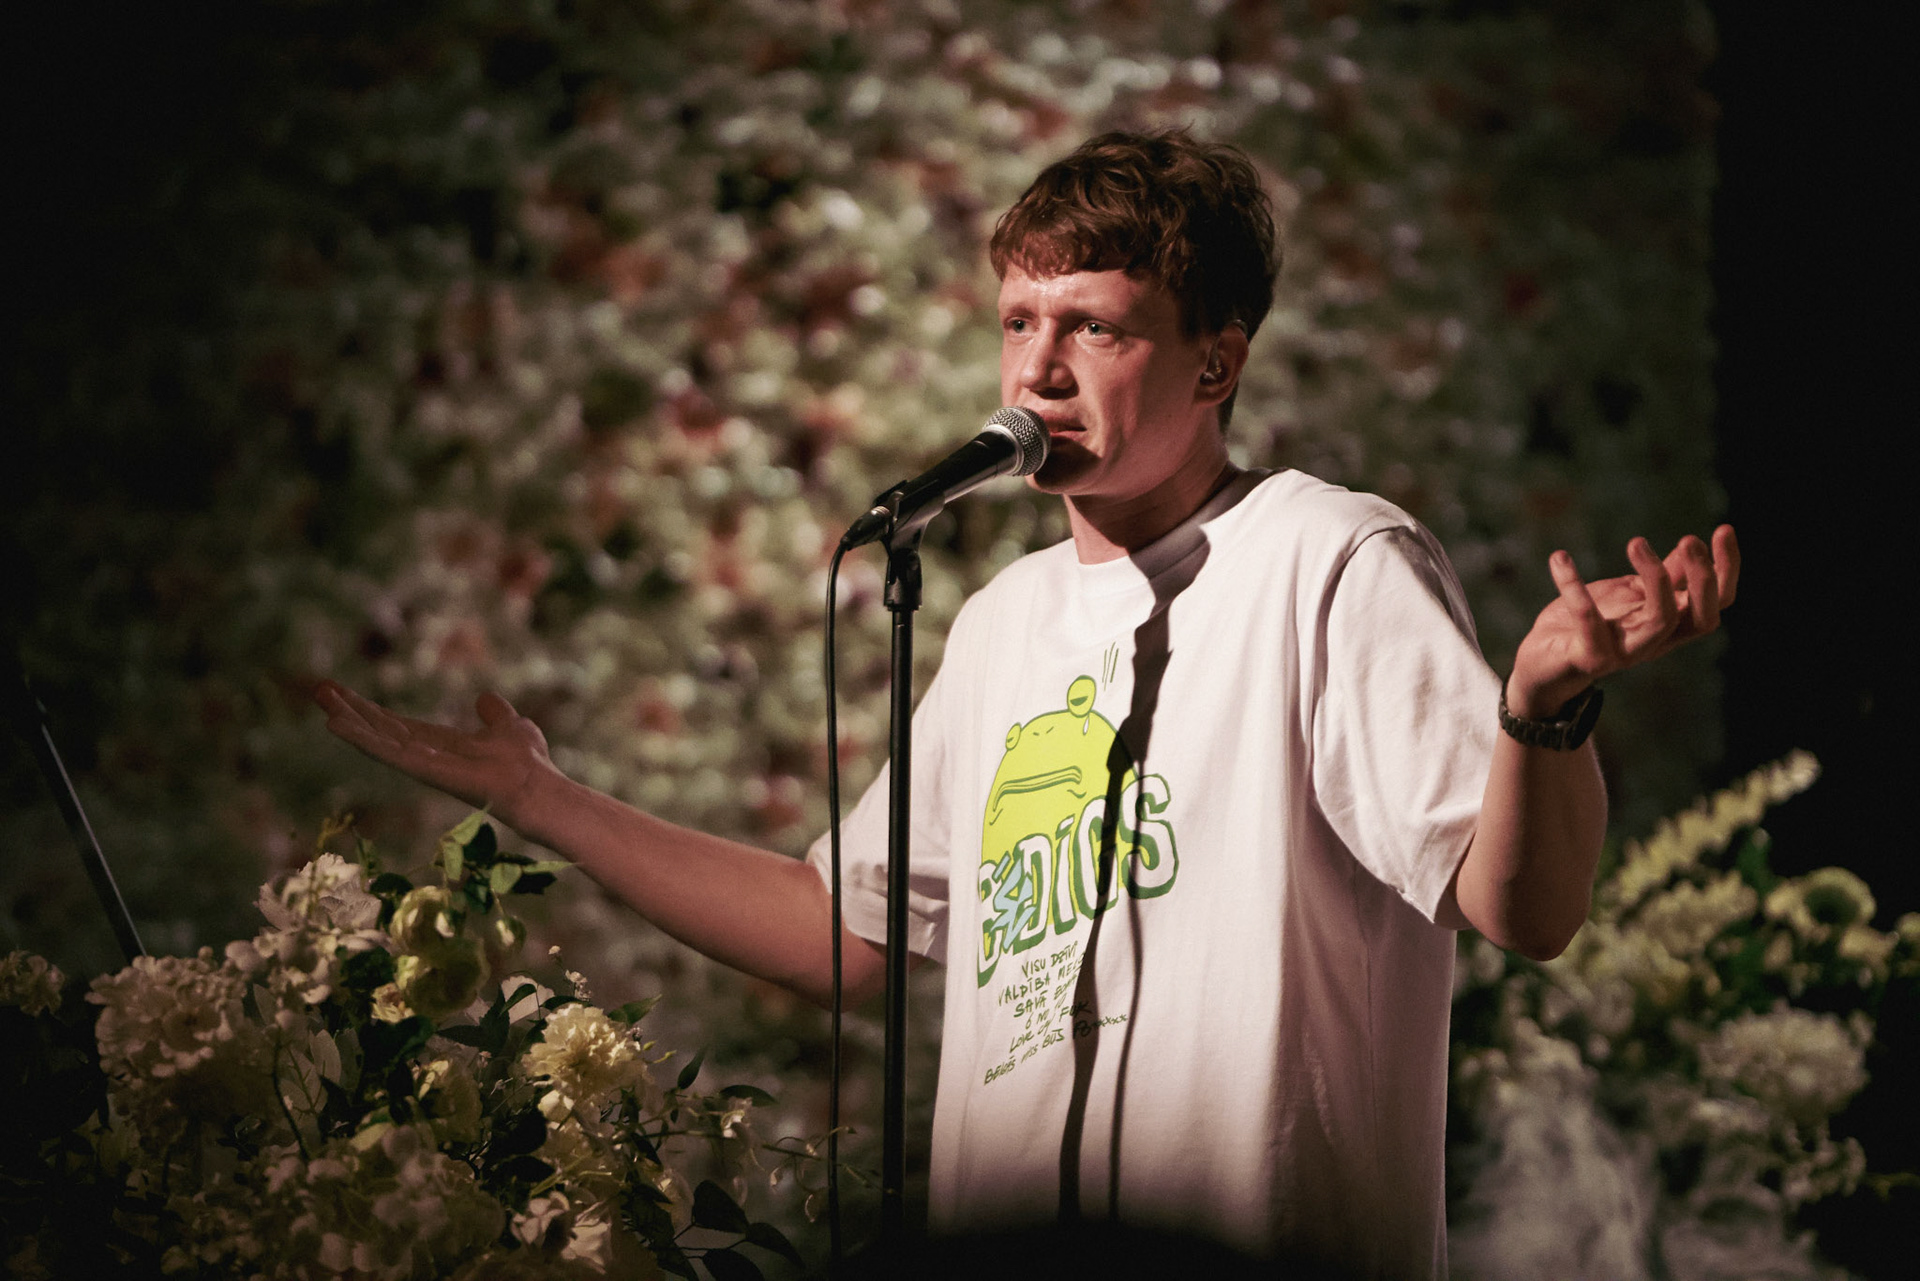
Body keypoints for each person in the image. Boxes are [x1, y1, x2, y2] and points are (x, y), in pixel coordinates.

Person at [315, 131, 1738, 1279]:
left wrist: (1542, 713)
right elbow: (844, 930)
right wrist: (542, 797)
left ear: (1216, 360)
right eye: (1018, 321)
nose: (1037, 370)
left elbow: (1525, 909)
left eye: (1093, 328)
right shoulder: (1001, 624)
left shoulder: (1328, 557)